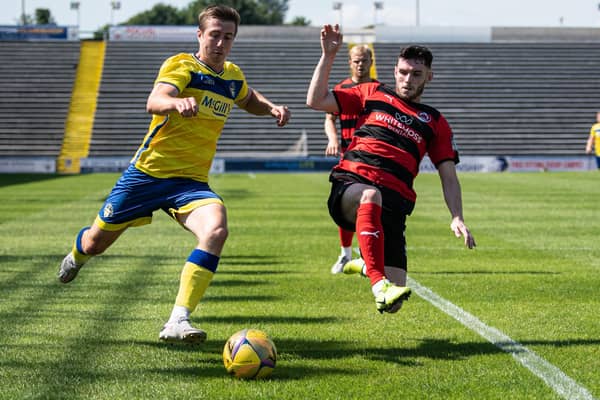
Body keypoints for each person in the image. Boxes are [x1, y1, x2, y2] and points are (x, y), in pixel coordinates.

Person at [58, 5, 290, 343]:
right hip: (146, 175)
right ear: (200, 35)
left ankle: (178, 320)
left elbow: (247, 97)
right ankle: (76, 256)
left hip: (190, 183)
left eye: (228, 37)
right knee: (95, 243)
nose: (221, 43)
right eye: (215, 35)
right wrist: (175, 103)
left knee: (217, 229)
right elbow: (155, 100)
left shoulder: (232, 76)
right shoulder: (182, 65)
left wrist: (271, 108)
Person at [307, 24, 475, 314]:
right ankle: (376, 282)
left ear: (429, 77)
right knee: (371, 195)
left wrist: (457, 216)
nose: (407, 79)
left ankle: (364, 264)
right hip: (352, 187)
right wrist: (328, 56)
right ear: (394, 71)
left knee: (394, 305)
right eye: (403, 72)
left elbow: (448, 175)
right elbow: (315, 101)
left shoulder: (435, 122)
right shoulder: (371, 92)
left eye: (416, 74)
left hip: (394, 208)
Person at [325, 44, 378, 274]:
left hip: (371, 158)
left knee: (371, 205)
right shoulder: (342, 88)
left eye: (364, 60)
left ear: (371, 62)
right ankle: (345, 254)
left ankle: (370, 257)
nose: (360, 64)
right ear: (349, 62)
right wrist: (333, 139)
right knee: (345, 205)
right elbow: (329, 119)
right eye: (356, 60)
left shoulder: (379, 90)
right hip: (346, 156)